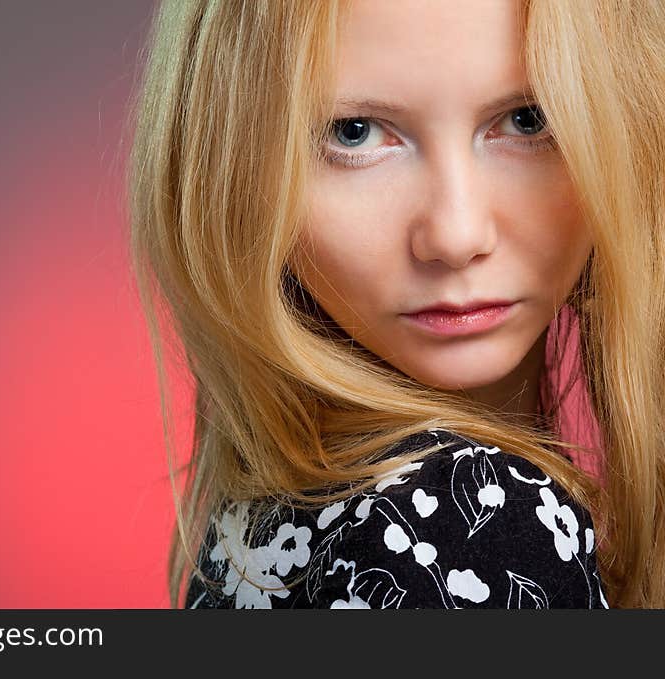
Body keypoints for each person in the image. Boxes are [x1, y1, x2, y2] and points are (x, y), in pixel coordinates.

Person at [125, 0, 665, 608]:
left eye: (527, 119)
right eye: (352, 132)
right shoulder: (465, 525)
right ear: (232, 172)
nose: (456, 236)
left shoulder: (276, 517)